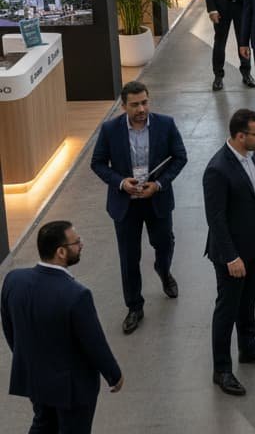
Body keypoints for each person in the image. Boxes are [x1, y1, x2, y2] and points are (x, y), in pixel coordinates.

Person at [1, 221, 123, 431]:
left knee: (43, 425)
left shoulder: (13, 280)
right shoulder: (76, 295)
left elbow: (10, 328)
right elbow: (94, 343)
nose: (81, 245)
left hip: (36, 379)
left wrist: (28, 360)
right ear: (61, 252)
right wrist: (114, 375)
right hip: (72, 389)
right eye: (76, 242)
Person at [89, 81, 188, 334]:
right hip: (125, 205)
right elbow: (98, 163)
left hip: (157, 200)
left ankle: (164, 271)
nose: (141, 108)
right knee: (128, 257)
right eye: (135, 105)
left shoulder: (166, 125)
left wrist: (159, 184)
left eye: (144, 102)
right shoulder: (110, 130)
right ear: (123, 107)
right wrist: (121, 183)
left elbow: (180, 157)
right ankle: (134, 307)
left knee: (164, 243)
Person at [203, 109, 255, 397]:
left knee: (248, 300)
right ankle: (221, 369)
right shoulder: (217, 169)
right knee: (227, 308)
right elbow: (216, 219)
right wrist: (231, 257)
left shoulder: (251, 154)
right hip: (233, 254)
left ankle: (248, 347)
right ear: (239, 136)